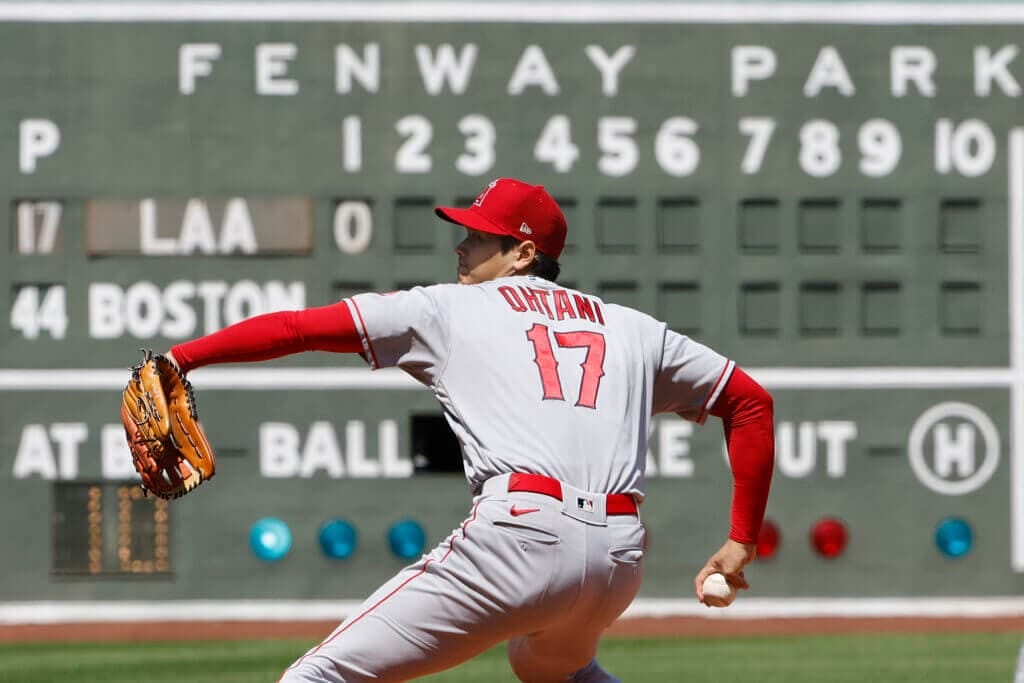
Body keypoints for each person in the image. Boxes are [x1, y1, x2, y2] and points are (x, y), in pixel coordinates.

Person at [163, 177, 775, 682]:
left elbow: (299, 327)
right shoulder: (633, 328)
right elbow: (749, 403)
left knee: (315, 679)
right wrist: (741, 538)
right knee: (549, 669)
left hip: (521, 539)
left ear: (524, 253)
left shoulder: (446, 309)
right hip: (617, 557)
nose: (461, 246)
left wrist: (182, 359)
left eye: (481, 237)